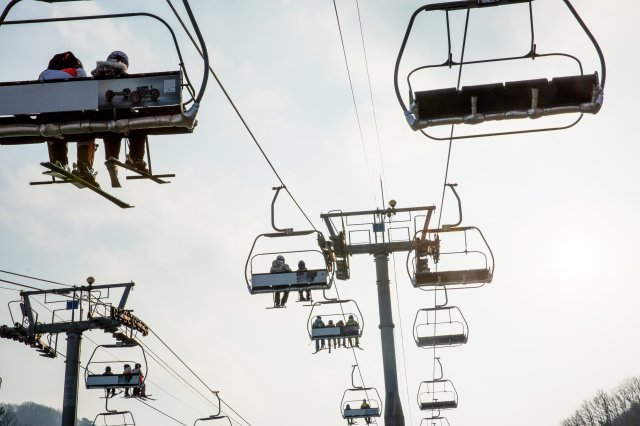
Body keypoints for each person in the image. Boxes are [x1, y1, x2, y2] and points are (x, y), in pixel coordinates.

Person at [39, 51, 99, 187]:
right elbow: (85, 86)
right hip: (72, 116)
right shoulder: (77, 71)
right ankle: (84, 165)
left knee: (55, 131)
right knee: (88, 129)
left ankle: (60, 161)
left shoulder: (44, 74)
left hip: (50, 117)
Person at [91, 50, 149, 187]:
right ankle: (136, 157)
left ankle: (112, 156)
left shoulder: (97, 75)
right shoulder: (126, 77)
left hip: (101, 116)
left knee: (110, 128)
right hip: (124, 114)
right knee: (137, 127)